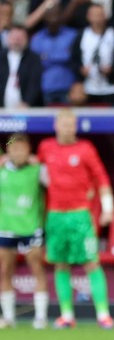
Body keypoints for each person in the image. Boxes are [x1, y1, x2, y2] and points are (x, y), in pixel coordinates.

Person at [37, 109, 114, 329]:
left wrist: (108, 208)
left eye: (72, 124)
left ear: (76, 126)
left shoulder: (85, 149)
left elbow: (102, 178)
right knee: (61, 265)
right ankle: (67, 315)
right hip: (55, 216)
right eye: (64, 124)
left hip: (80, 215)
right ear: (56, 125)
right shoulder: (45, 147)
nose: (68, 128)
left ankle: (103, 314)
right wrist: (8, 151)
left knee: (91, 262)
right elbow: (30, 160)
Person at [0, 133, 48, 329]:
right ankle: (9, 317)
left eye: (22, 148)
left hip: (31, 227)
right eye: (14, 148)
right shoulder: (2, 170)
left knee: (37, 269)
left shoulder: (38, 169)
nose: (18, 152)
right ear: (8, 151)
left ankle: (41, 317)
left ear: (29, 150)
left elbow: (57, 185)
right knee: (5, 272)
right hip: (7, 228)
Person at [0, 26, 43, 108]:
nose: (16, 41)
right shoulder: (1, 57)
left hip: (25, 108)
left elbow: (34, 83)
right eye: (14, 38)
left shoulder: (33, 59)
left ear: (27, 39)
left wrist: (27, 102)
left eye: (20, 38)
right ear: (8, 38)